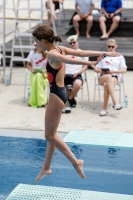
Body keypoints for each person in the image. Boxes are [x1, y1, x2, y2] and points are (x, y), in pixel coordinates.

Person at [32, 25, 120, 182]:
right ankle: (46, 167)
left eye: (36, 41)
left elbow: (70, 59)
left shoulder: (53, 52)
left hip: (56, 95)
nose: (36, 45)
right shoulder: (59, 48)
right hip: (61, 93)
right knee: (52, 135)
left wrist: (93, 63)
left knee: (49, 135)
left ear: (43, 40)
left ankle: (76, 162)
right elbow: (80, 52)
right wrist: (103, 53)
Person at [94, 39, 127, 116]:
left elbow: (124, 70)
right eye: (109, 46)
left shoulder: (119, 57)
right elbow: (95, 68)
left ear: (116, 46)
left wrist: (114, 71)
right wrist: (101, 71)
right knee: (108, 77)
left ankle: (104, 109)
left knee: (106, 84)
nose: (111, 48)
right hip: (103, 76)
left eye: (112, 46)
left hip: (114, 76)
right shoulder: (103, 56)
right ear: (107, 47)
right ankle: (115, 102)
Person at [65, 35, 88, 108]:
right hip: (66, 74)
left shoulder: (82, 53)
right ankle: (66, 100)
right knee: (59, 84)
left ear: (77, 42)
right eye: (70, 43)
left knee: (77, 84)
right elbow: (61, 65)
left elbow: (85, 66)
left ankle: (70, 98)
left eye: (73, 42)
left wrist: (78, 73)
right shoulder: (66, 52)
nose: (72, 44)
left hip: (77, 73)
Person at [26, 42, 48, 107]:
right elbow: (28, 64)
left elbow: (50, 65)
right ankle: (42, 101)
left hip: (44, 73)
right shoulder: (32, 53)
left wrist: (45, 70)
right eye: (36, 45)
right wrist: (31, 68)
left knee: (38, 77)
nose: (38, 47)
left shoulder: (46, 53)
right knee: (37, 77)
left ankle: (33, 100)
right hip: (34, 72)